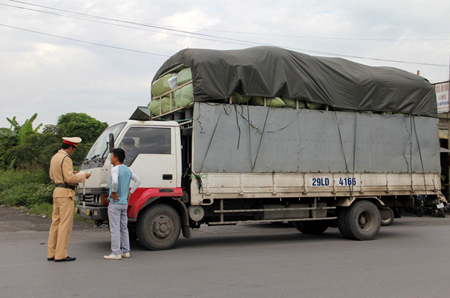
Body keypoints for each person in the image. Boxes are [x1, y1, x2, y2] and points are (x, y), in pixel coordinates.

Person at [47, 137, 91, 262]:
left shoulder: (55, 157)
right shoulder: (66, 159)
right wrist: (83, 175)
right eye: (74, 149)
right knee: (65, 224)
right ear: (71, 147)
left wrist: (70, 174)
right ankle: (61, 254)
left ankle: (52, 252)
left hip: (57, 191)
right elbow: (70, 178)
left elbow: (52, 176)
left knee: (55, 223)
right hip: (66, 192)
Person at [104, 148, 141, 260]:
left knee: (115, 228)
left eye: (111, 156)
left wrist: (114, 192)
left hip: (115, 203)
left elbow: (115, 181)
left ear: (116, 158)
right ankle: (126, 251)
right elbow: (138, 181)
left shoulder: (115, 169)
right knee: (124, 227)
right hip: (124, 203)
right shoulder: (128, 170)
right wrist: (130, 192)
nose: (110, 158)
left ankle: (116, 252)